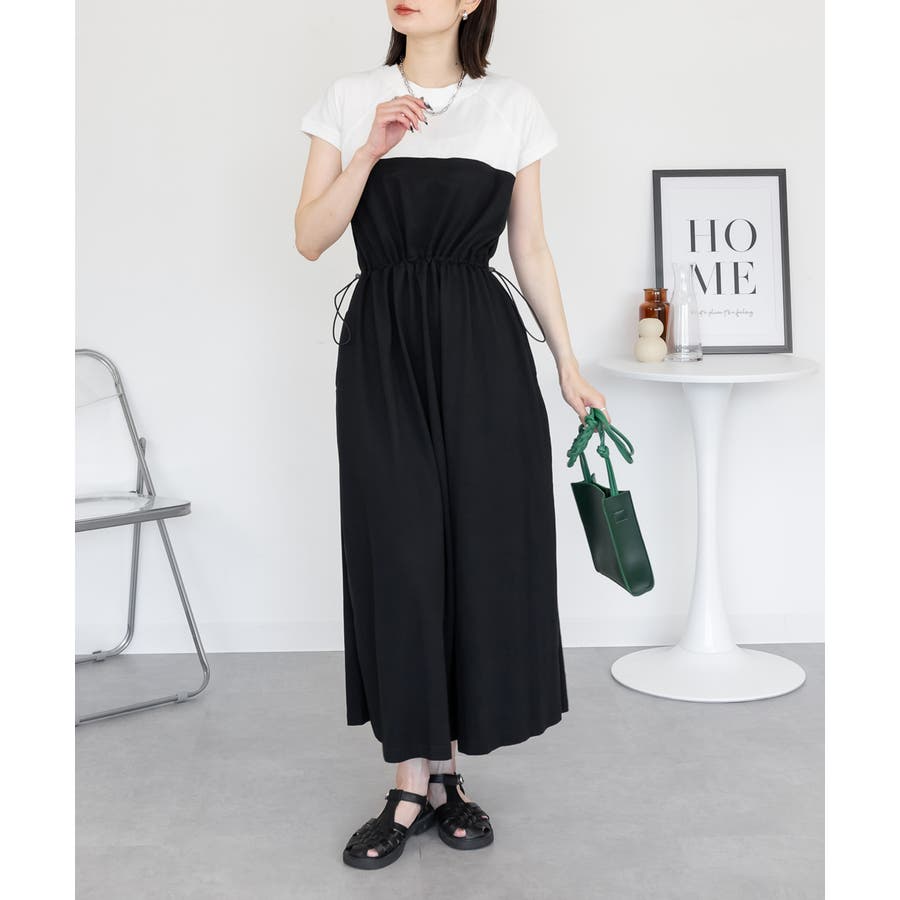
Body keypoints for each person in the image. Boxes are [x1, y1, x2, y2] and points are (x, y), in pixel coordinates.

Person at [294, 0, 610, 870]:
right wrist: (370, 149)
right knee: (399, 553)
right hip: (383, 348)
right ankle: (409, 780)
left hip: (481, 350)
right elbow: (309, 237)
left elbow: (531, 248)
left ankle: (443, 777)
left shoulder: (511, 106)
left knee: (477, 551)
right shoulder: (349, 96)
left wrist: (567, 364)